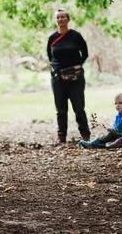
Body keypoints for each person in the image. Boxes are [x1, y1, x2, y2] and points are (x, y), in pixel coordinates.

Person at [47, 9, 91, 143]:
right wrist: (58, 69)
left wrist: (76, 66)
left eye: (63, 17)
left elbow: (85, 52)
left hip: (75, 78)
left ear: (68, 19)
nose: (61, 19)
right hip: (58, 78)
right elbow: (50, 56)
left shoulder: (75, 36)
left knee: (78, 108)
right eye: (58, 17)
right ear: (56, 20)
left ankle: (85, 135)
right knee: (60, 109)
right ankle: (62, 137)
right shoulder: (52, 38)